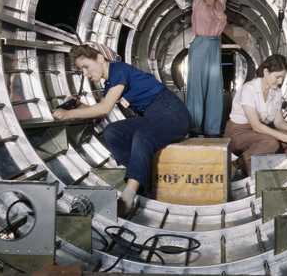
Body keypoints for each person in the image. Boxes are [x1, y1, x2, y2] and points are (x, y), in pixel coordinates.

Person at [52, 44, 190, 215]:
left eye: (86, 67)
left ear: (101, 59)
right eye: (82, 70)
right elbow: (99, 110)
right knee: (112, 132)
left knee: (142, 136)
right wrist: (78, 106)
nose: (86, 74)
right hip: (152, 117)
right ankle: (140, 176)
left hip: (173, 114)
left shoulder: (118, 70)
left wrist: (68, 114)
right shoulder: (111, 84)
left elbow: (104, 108)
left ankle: (129, 196)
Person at [224, 54, 287, 176]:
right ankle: (238, 165)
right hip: (237, 133)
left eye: (283, 78)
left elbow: (279, 122)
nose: (280, 81)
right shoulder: (249, 89)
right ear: (266, 72)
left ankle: (279, 172)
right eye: (278, 77)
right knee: (271, 143)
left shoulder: (276, 92)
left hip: (257, 133)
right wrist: (286, 137)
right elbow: (256, 126)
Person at [187, 0, 230, 136]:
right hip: (200, 45)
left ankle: (212, 129)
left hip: (214, 46)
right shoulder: (198, 3)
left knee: (215, 88)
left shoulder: (220, 5)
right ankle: (194, 127)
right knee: (196, 87)